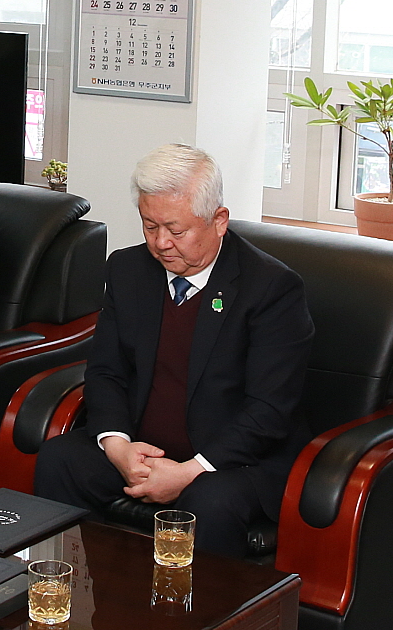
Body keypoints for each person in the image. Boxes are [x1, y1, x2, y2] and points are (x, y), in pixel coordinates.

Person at [33, 144, 315, 561]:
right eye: (150, 226)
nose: (161, 243)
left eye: (176, 230)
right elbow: (106, 371)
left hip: (232, 462)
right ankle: (77, 600)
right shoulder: (128, 271)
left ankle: (198, 625)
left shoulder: (271, 289)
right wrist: (118, 446)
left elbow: (269, 410)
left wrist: (189, 472)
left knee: (208, 506)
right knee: (61, 460)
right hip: (142, 450)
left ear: (219, 221)